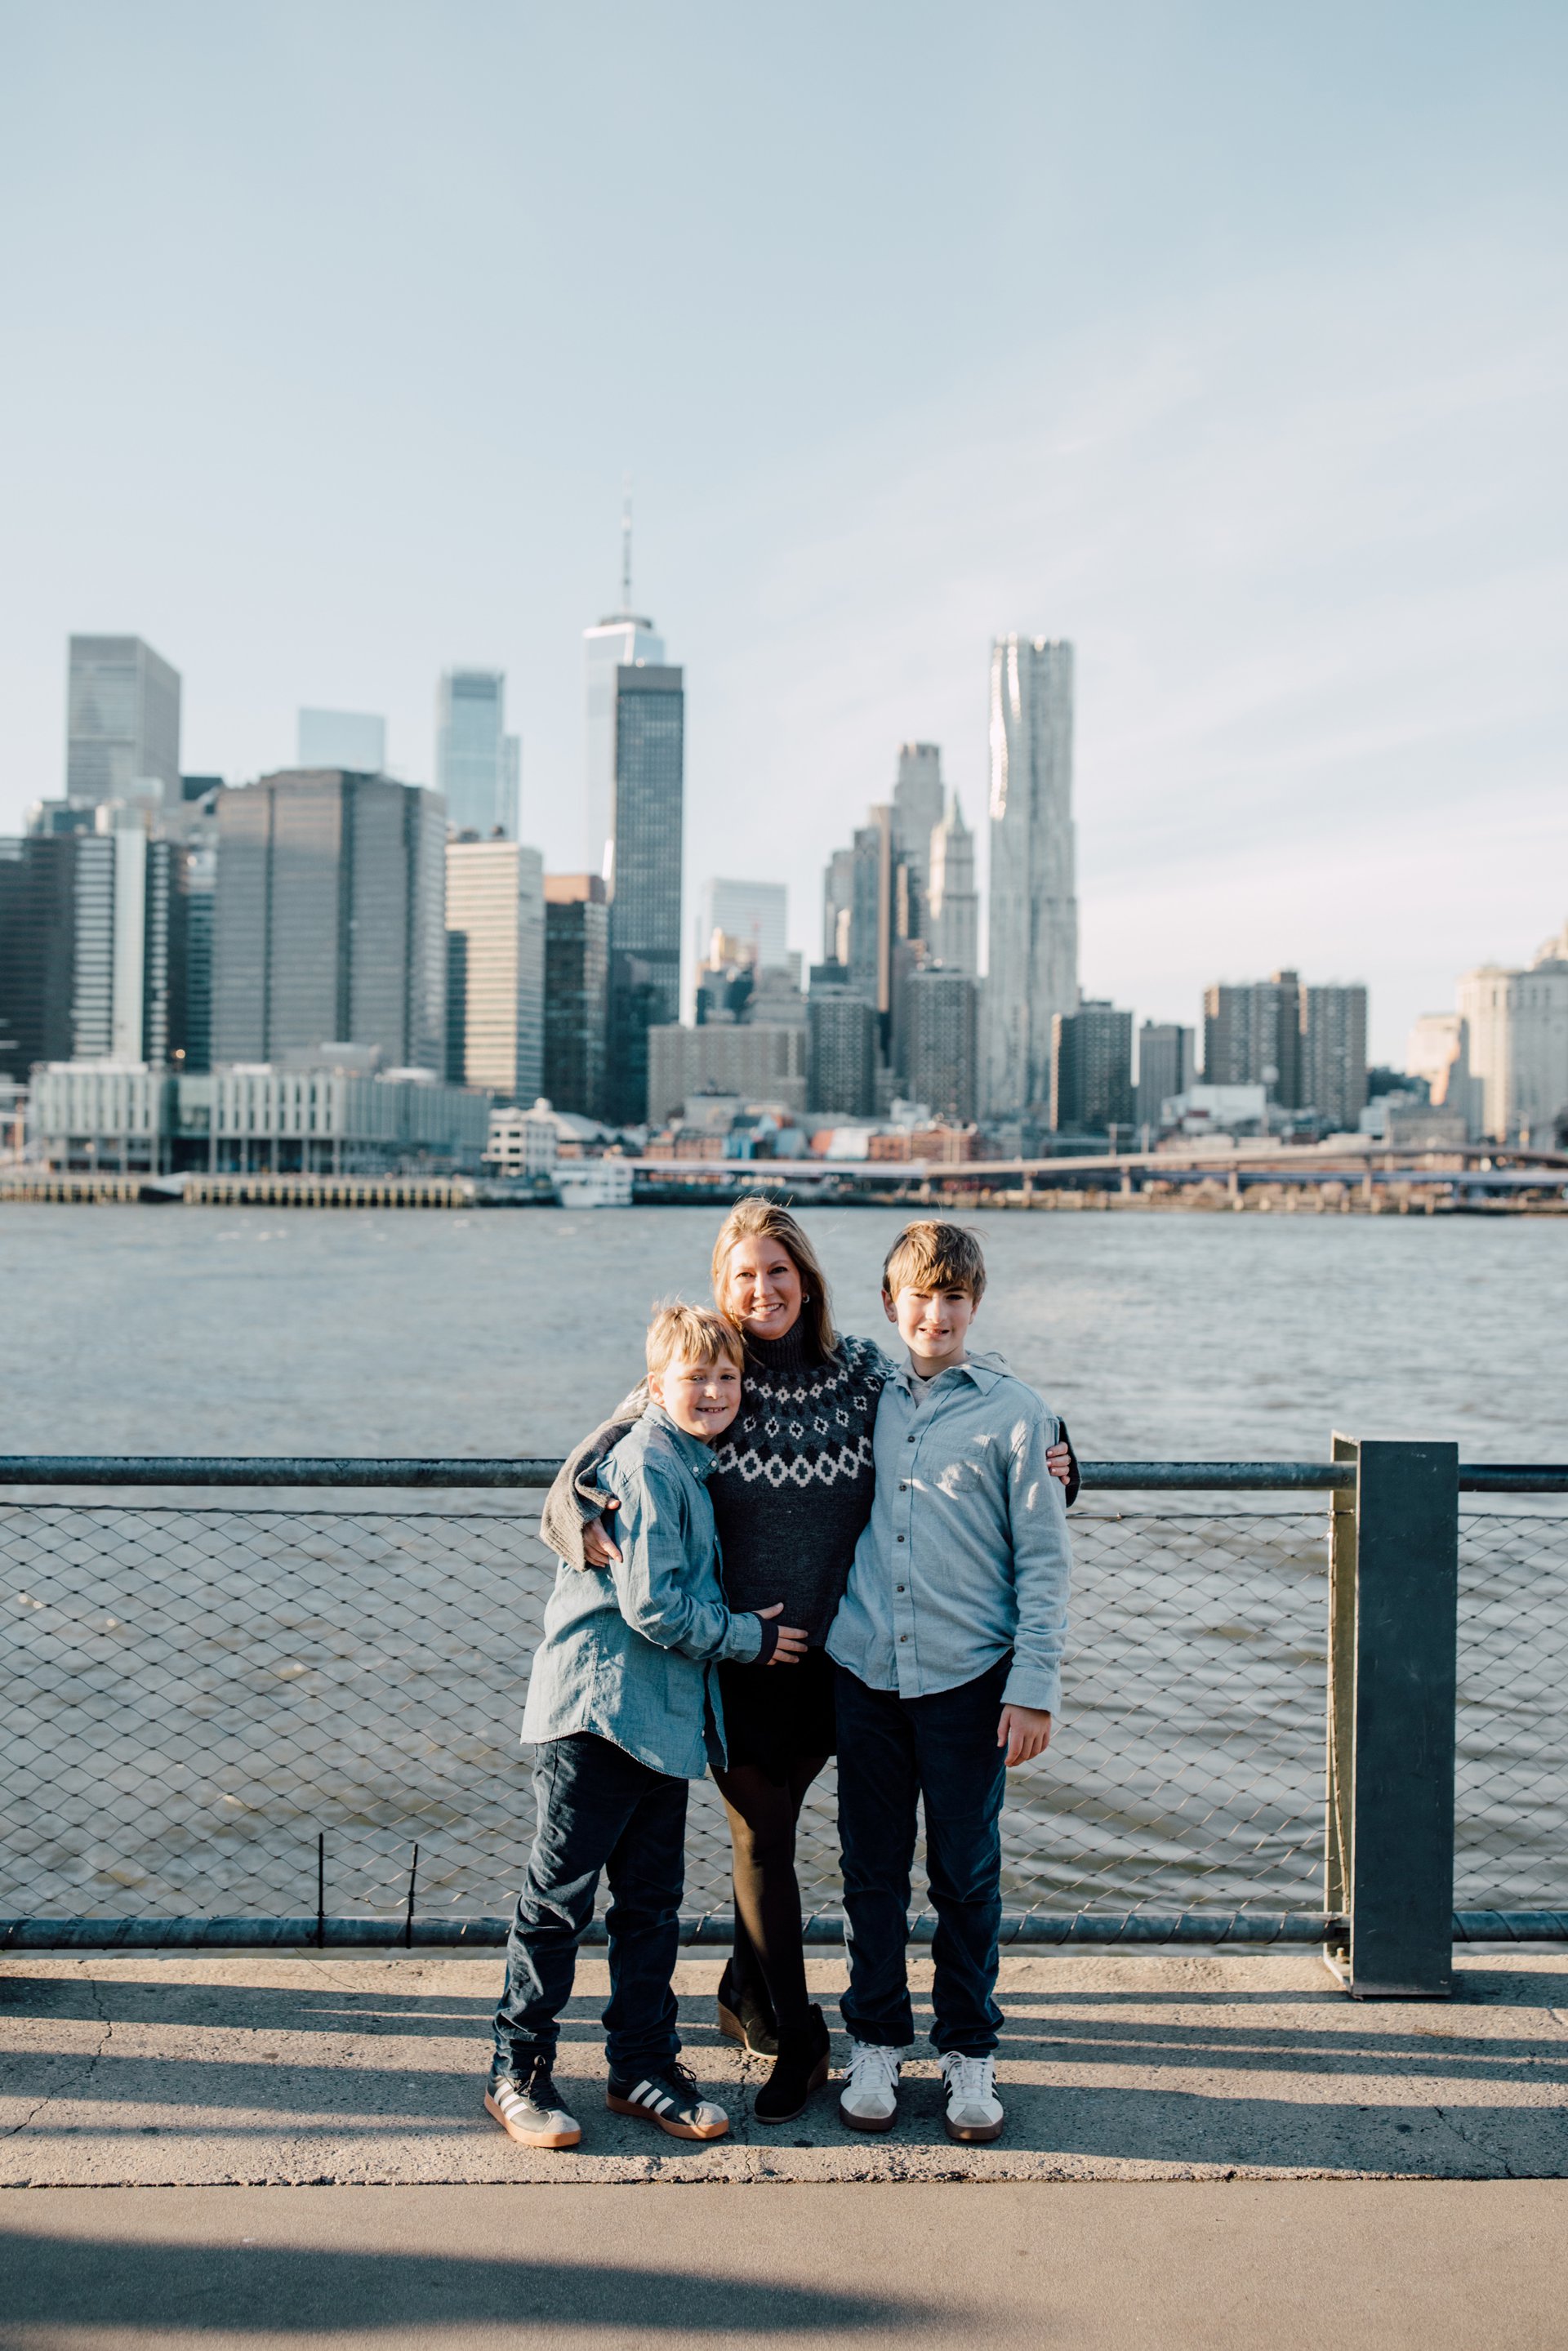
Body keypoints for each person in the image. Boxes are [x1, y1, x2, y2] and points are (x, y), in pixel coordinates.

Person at [541, 1197, 1080, 2126]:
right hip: (739, 1659)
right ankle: (802, 2038)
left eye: (779, 1270)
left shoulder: (861, 1372)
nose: (764, 1289)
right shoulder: (706, 1374)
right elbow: (590, 1462)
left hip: (848, 1659)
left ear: (808, 1279)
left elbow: (968, 1408)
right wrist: (573, 1519)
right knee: (765, 1839)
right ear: (722, 1287)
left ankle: (765, 1989)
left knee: (877, 1856)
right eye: (744, 1274)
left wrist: (1069, 1456)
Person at [486, 1302, 808, 2151]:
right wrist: (749, 1637)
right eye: (695, 1377)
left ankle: (639, 2065)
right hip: (599, 1716)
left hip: (661, 1722)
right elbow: (654, 1606)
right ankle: (517, 2070)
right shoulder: (648, 1462)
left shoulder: (689, 1460)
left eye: (727, 1376)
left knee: (651, 1907)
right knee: (559, 1903)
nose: (714, 1391)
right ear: (656, 1384)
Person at [826, 1220, 1071, 2148]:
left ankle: (969, 2047)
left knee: (965, 1874)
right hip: (866, 1671)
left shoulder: (1019, 1413)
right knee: (870, 1870)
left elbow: (1043, 1559)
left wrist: (1034, 1684)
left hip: (972, 1680)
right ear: (891, 1303)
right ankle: (876, 2041)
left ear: (976, 1305)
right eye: (920, 1296)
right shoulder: (862, 1393)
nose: (936, 1313)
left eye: (954, 1297)